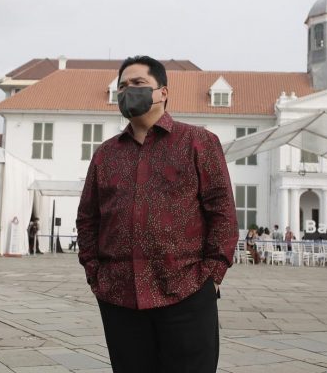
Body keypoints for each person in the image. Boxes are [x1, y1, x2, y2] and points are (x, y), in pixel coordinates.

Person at [77, 55, 238, 372]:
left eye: (138, 83)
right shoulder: (105, 154)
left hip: (186, 290)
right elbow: (88, 218)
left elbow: (222, 211)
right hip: (119, 296)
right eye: (122, 86)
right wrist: (95, 274)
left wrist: (212, 275)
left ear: (163, 92)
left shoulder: (198, 142)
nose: (128, 90)